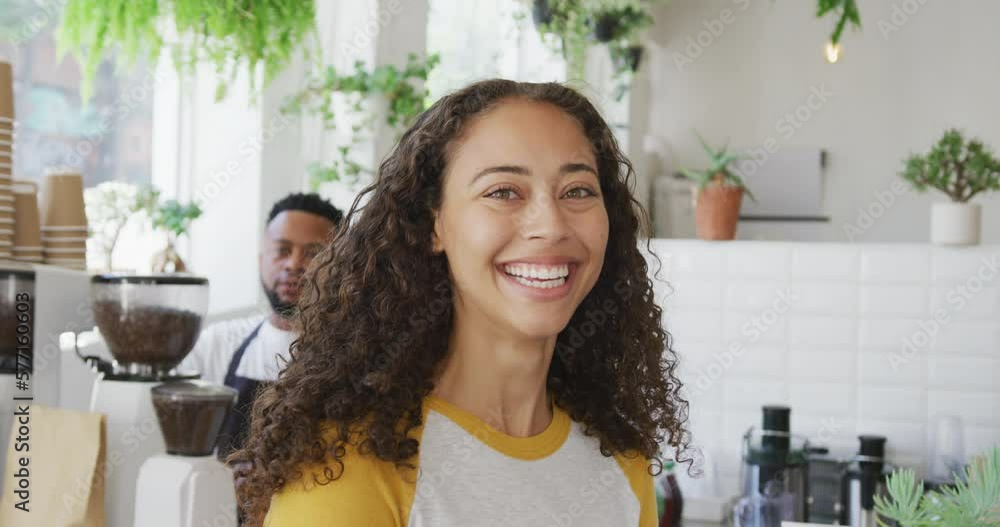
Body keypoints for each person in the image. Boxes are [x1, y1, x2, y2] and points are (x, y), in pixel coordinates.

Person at [237, 80, 691, 526]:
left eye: (577, 191)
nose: (551, 225)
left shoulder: (621, 462)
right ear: (434, 224)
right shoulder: (349, 466)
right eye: (503, 192)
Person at [179, 192, 343, 459]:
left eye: (313, 253)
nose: (293, 264)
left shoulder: (350, 354)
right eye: (282, 251)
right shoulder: (216, 344)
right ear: (261, 259)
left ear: (340, 267)